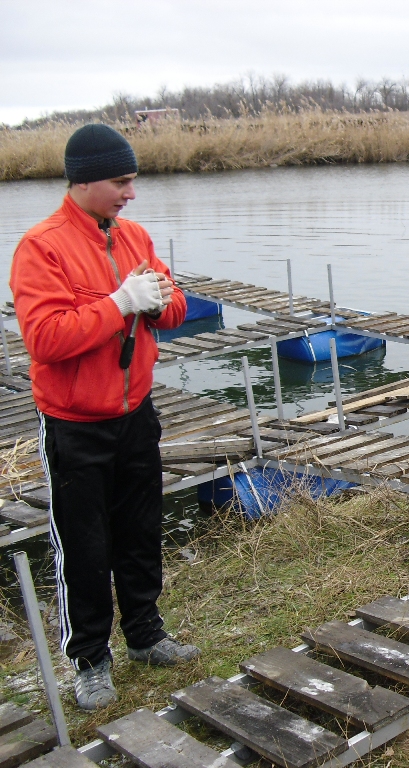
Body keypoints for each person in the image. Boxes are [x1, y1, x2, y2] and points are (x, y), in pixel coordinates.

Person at [10, 124, 195, 711]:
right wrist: (116, 304)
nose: (130, 194)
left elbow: (176, 309)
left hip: (136, 413)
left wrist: (163, 301)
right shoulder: (41, 246)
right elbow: (45, 339)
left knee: (141, 529)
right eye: (121, 182)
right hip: (75, 423)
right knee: (85, 545)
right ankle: (90, 660)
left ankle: (144, 634)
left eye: (132, 182)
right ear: (85, 179)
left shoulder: (134, 236)